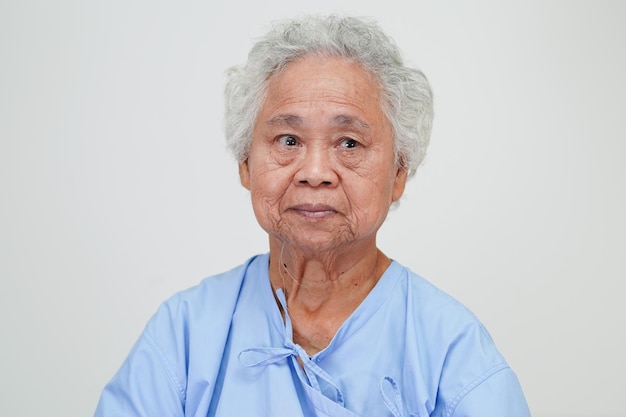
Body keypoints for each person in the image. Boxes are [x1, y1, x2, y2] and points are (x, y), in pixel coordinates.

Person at [94, 15, 531, 417]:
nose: (316, 173)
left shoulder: (456, 356)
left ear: (399, 171)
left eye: (349, 143)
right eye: (287, 140)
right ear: (245, 163)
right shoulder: (184, 334)